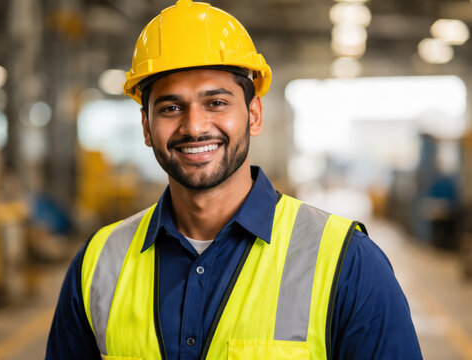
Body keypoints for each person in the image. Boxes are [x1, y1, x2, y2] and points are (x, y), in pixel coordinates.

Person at [46, 0, 422, 359]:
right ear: (146, 127)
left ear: (254, 115)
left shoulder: (349, 263)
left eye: (216, 103)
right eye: (171, 107)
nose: (194, 126)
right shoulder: (98, 264)